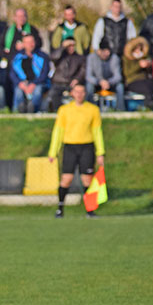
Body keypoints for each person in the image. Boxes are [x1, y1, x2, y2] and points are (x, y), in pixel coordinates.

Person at [48, 84, 105, 219]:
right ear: (72, 93)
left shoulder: (93, 110)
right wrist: (53, 151)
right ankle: (60, 208)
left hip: (87, 147)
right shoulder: (64, 110)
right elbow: (58, 131)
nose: (79, 94)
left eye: (82, 92)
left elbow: (97, 132)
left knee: (87, 179)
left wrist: (100, 152)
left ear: (85, 93)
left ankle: (90, 209)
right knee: (66, 179)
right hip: (70, 147)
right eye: (76, 92)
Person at [10, 34, 50, 113]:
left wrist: (33, 84)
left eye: (32, 42)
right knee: (18, 91)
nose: (30, 45)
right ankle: (19, 110)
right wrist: (20, 83)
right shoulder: (17, 57)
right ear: (23, 44)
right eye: (27, 42)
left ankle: (33, 109)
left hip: (38, 82)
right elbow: (12, 73)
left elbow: (44, 73)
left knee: (38, 90)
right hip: (23, 82)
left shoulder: (42, 56)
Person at [45, 38, 86, 112]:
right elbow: (53, 57)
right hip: (58, 83)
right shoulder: (60, 56)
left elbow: (82, 70)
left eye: (73, 45)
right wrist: (62, 47)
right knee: (53, 95)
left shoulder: (80, 58)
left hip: (72, 84)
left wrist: (77, 79)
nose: (71, 47)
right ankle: (56, 111)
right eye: (69, 45)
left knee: (80, 93)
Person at [86, 38, 125, 110]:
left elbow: (118, 76)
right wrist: (99, 81)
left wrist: (108, 82)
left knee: (120, 87)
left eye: (108, 51)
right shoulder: (91, 57)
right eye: (104, 51)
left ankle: (120, 109)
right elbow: (88, 76)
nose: (107, 54)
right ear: (99, 51)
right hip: (96, 82)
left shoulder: (114, 58)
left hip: (110, 83)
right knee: (89, 86)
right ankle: (90, 109)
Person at [122, 36, 153, 109]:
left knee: (151, 83)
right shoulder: (126, 59)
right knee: (146, 87)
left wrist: (148, 66)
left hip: (145, 80)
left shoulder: (145, 57)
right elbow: (127, 73)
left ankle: (149, 104)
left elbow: (151, 72)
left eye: (140, 48)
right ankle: (149, 104)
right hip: (132, 81)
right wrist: (139, 65)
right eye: (137, 48)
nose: (138, 50)